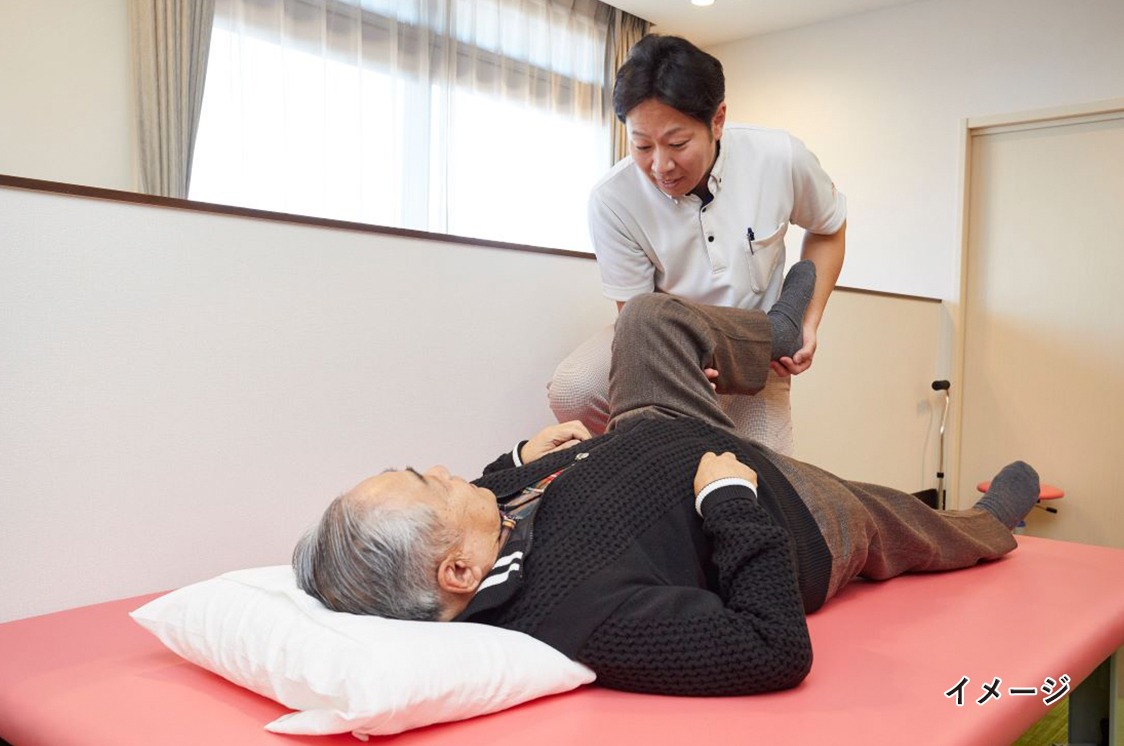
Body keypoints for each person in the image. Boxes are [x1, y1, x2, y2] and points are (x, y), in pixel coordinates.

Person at [294, 262, 1039, 696]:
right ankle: (993, 525)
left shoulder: (483, 534)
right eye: (431, 482)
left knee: (647, 318)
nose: (452, 471)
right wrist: (730, 503)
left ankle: (775, 336)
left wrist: (521, 460)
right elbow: (773, 648)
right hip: (787, 508)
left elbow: (494, 492)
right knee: (906, 518)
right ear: (457, 570)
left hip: (663, 427)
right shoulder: (581, 615)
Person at [548, 34, 848, 456]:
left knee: (771, 481)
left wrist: (810, 320)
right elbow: (636, 317)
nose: (660, 166)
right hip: (667, 336)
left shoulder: (779, 158)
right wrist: (674, 373)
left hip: (756, 342)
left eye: (677, 144)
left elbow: (829, 229)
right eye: (642, 145)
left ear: (718, 119)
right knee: (573, 389)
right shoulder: (613, 200)